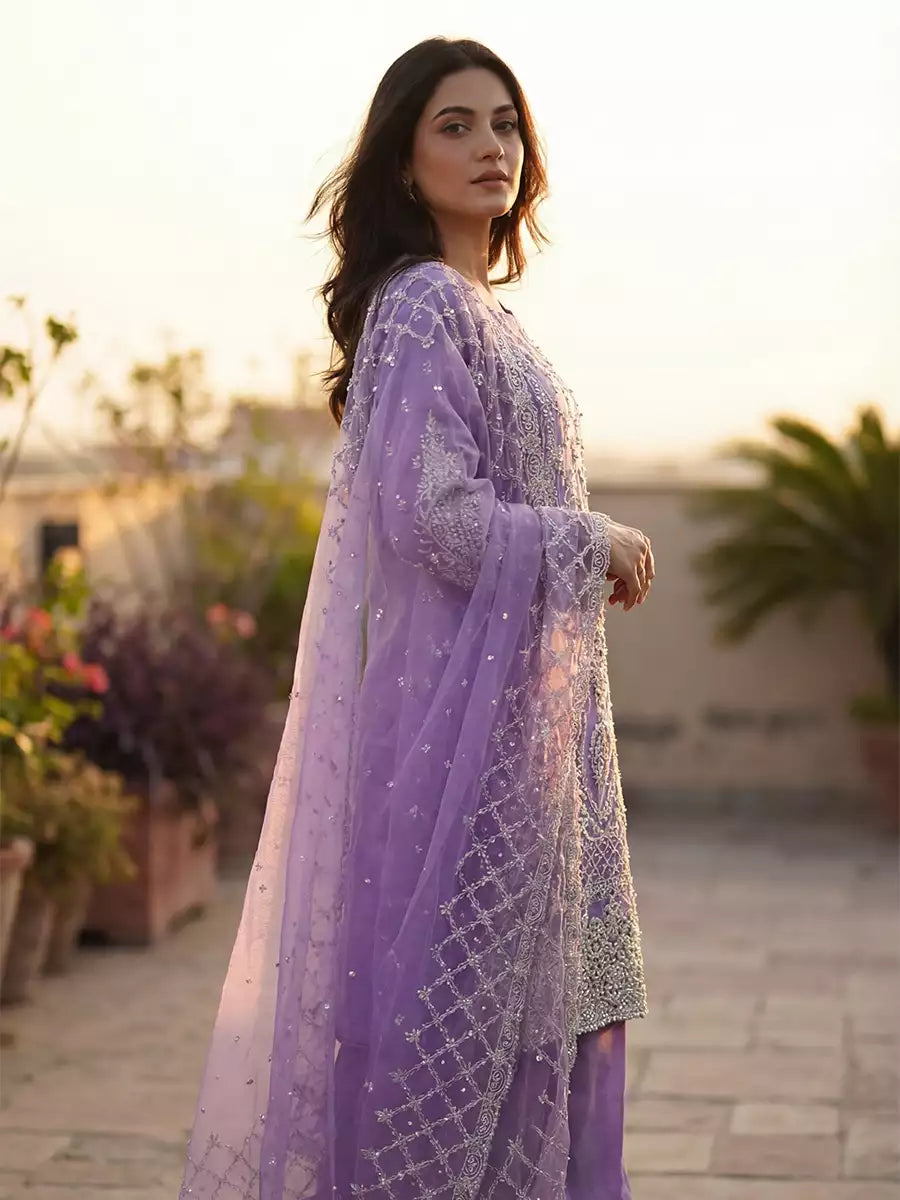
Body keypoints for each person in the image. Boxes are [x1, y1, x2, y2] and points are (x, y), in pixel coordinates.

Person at [179, 36, 654, 1200]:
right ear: (404, 162)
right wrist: (586, 542)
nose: (492, 146)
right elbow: (430, 517)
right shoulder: (423, 306)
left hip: (515, 744)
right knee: (445, 1048)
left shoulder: (485, 315)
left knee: (526, 1029)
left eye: (506, 123)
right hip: (457, 755)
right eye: (456, 125)